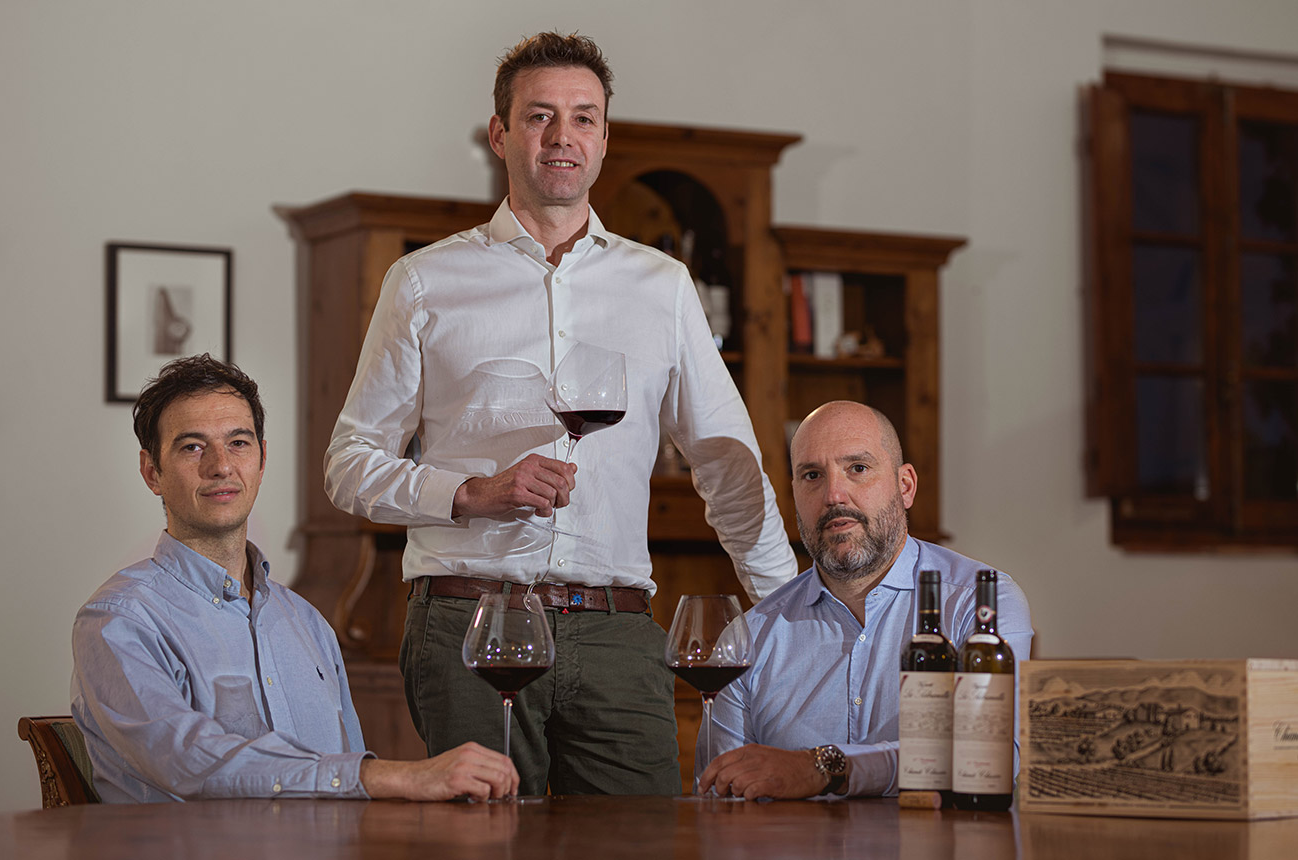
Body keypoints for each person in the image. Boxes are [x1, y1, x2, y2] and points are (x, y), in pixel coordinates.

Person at [324, 32, 796, 796]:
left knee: (641, 844)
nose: (562, 137)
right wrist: (471, 493)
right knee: (484, 849)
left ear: (605, 138)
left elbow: (727, 465)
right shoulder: (423, 282)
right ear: (501, 134)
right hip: (470, 627)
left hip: (617, 631)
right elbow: (349, 467)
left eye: (583, 117)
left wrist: (785, 611)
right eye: (540, 116)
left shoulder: (663, 286)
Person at [71, 354, 519, 802]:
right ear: (152, 472)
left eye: (239, 443)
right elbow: (186, 759)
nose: (220, 466)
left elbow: (348, 787)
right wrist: (393, 777)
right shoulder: (118, 621)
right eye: (192, 447)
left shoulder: (307, 623)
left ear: (262, 459)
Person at [696, 400, 1033, 799]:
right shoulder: (750, 637)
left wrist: (823, 768)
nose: (834, 494)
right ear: (795, 495)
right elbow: (723, 794)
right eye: (812, 475)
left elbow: (991, 755)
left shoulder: (977, 602)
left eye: (858, 468)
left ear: (905, 486)